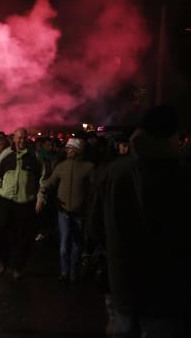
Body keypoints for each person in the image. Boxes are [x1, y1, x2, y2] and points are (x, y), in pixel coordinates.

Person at [97, 106, 191, 337]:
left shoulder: (113, 172)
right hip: (167, 293)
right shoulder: (181, 175)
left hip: (122, 285)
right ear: (173, 137)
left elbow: (95, 228)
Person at [36, 137, 94, 283]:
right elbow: (51, 181)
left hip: (79, 212)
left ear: (78, 150)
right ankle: (64, 272)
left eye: (71, 148)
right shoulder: (61, 166)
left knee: (77, 244)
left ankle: (74, 271)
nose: (68, 150)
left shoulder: (88, 167)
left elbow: (94, 189)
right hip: (63, 211)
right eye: (68, 148)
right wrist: (42, 190)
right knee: (64, 244)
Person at [0, 127, 42, 278]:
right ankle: (2, 261)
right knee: (2, 232)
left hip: (25, 202)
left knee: (23, 237)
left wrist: (40, 198)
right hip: (5, 201)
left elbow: (43, 179)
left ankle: (18, 266)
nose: (21, 141)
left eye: (24, 138)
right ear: (13, 138)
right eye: (18, 138)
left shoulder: (35, 156)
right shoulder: (6, 154)